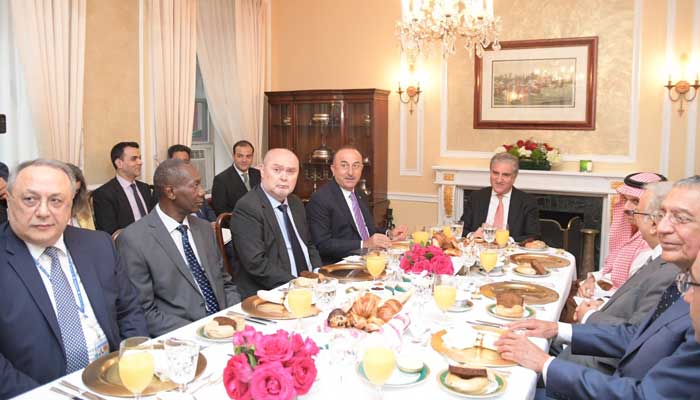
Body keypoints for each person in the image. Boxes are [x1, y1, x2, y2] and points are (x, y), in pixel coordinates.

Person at [495, 176, 700, 399]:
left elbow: (644, 395)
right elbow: (636, 337)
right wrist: (558, 329)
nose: (661, 227)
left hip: (608, 382)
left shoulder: (683, 281)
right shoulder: (682, 275)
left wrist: (546, 364)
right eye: (662, 215)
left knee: (504, 384)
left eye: (680, 218)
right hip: (607, 379)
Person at [0, 159, 147, 398]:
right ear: (8, 200)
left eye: (56, 200)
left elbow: (129, 310)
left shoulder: (98, 244)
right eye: (30, 199)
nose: (44, 211)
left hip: (114, 380)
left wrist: (132, 365)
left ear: (70, 205)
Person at [558, 181, 680, 373]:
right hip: (595, 338)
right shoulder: (655, 256)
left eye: (636, 209)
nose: (628, 211)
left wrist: (589, 316)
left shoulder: (670, 268)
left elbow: (636, 335)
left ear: (655, 223)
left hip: (600, 363)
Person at [116, 159, 241, 336]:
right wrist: (201, 331)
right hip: (181, 336)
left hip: (225, 326)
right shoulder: (135, 240)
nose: (202, 193)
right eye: (195, 185)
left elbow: (225, 282)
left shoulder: (204, 228)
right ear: (171, 191)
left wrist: (234, 315)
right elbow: (144, 311)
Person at [232, 148, 322, 299]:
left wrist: (319, 273)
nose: (284, 177)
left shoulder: (295, 203)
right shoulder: (248, 207)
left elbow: (308, 244)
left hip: (311, 288)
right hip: (272, 292)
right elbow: (256, 264)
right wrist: (297, 284)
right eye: (277, 170)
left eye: (291, 171)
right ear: (261, 170)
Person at [306, 147, 408, 264]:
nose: (350, 172)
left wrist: (388, 233)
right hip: (340, 266)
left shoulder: (360, 194)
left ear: (361, 169)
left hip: (368, 259)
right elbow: (322, 244)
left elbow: (364, 229)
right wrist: (364, 244)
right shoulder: (320, 199)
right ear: (333, 169)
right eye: (344, 165)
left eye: (355, 166)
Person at [580, 172, 667, 291]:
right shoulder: (632, 232)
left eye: (636, 201)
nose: (626, 207)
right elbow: (618, 271)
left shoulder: (651, 246)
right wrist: (593, 279)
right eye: (625, 199)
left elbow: (633, 294)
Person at [460, 152, 540, 242]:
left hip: (510, 252)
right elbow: (462, 228)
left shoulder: (527, 201)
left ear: (514, 177)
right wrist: (473, 235)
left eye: (505, 175)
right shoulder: (476, 197)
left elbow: (533, 235)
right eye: (495, 173)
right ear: (490, 173)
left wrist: (506, 240)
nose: (499, 180)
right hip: (480, 250)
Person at [92, 142, 155, 234]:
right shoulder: (104, 194)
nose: (140, 162)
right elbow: (109, 232)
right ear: (119, 163)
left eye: (140, 158)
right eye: (134, 159)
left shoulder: (144, 188)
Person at [211, 140, 260, 219]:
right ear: (233, 156)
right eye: (240, 156)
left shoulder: (258, 174)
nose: (244, 160)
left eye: (248, 156)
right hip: (237, 223)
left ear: (252, 157)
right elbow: (221, 211)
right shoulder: (221, 180)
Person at [167, 144, 217, 222]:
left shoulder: (194, 181)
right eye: (178, 161)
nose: (182, 165)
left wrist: (214, 223)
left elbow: (208, 209)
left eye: (185, 161)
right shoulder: (167, 187)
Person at [66, 163, 96, 230]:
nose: (72, 196)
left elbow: (90, 233)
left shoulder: (82, 206)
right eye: (70, 191)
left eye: (76, 191)